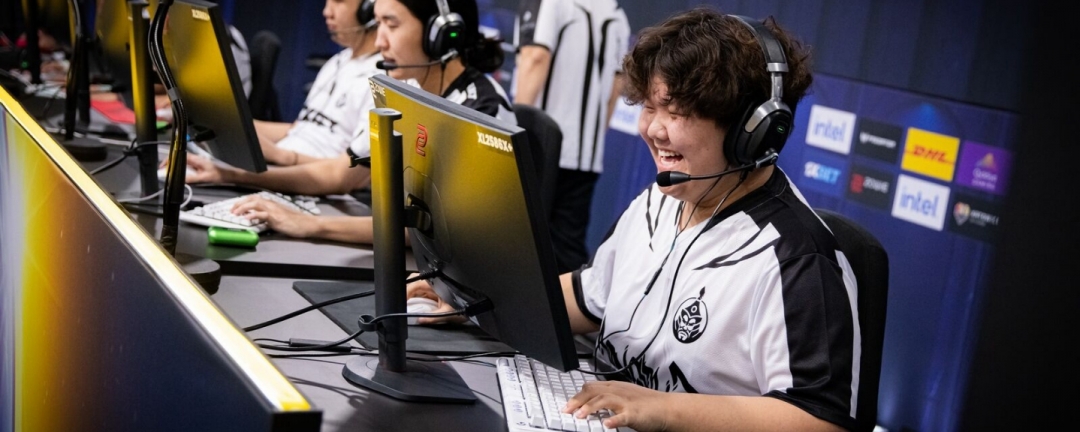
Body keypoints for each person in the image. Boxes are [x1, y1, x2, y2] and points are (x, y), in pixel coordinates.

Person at [407, 7, 862, 431]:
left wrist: (662, 409)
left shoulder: (799, 259)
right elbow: (586, 298)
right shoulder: (657, 202)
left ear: (753, 130)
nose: (653, 129)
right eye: (649, 106)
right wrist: (477, 298)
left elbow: (822, 420)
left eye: (677, 112)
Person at [185, 0, 515, 243]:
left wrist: (310, 225)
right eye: (378, 24)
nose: (381, 41)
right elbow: (338, 172)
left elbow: (438, 231)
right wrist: (227, 173)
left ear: (439, 36)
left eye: (392, 25)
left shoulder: (481, 111)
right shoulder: (404, 93)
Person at [513, 0, 630, 273]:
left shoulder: (549, 2)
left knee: (517, 240)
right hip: (585, 156)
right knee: (565, 250)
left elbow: (535, 57)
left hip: (538, 149)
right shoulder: (616, 14)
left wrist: (512, 133)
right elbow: (615, 88)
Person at [245, 0, 381, 166]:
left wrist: (280, 156)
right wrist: (235, 127)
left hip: (303, 174)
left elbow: (353, 170)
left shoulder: (381, 80)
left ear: (369, 8)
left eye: (338, 1)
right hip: (283, 166)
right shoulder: (337, 61)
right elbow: (300, 128)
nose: (327, 12)